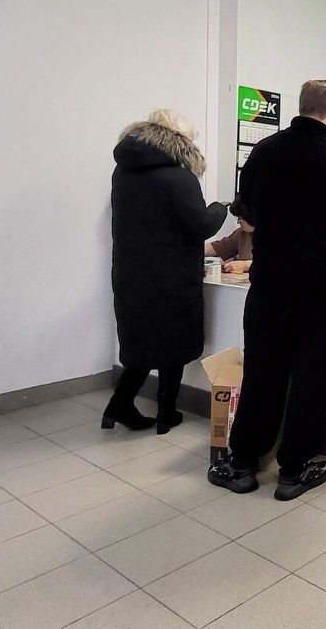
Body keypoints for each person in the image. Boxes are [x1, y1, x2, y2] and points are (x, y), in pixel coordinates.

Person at [208, 80, 326, 500]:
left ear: (302, 107)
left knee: (263, 372)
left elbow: (246, 214)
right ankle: (294, 470)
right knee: (313, 378)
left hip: (270, 285)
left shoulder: (263, 153)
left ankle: (243, 464)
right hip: (322, 290)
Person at [107, 110, 228, 434]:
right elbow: (200, 225)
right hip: (172, 278)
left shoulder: (123, 172)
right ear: (180, 142)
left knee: (143, 346)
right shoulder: (179, 177)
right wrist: (220, 208)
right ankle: (166, 412)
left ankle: (119, 404)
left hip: (132, 275)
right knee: (173, 347)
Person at [206, 198, 254, 274]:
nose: (238, 222)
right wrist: (192, 248)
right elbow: (220, 247)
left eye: (240, 218)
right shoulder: (242, 233)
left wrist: (245, 265)